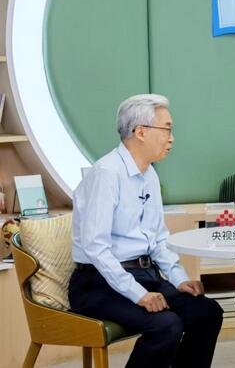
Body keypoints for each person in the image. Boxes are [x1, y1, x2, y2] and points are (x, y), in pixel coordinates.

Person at [69, 94, 222, 368]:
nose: (172, 138)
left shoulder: (149, 174)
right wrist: (138, 293)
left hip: (144, 275)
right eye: (167, 129)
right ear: (140, 132)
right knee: (166, 325)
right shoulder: (106, 173)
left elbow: (157, 238)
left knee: (207, 312)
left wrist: (178, 279)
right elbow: (96, 247)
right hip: (97, 284)